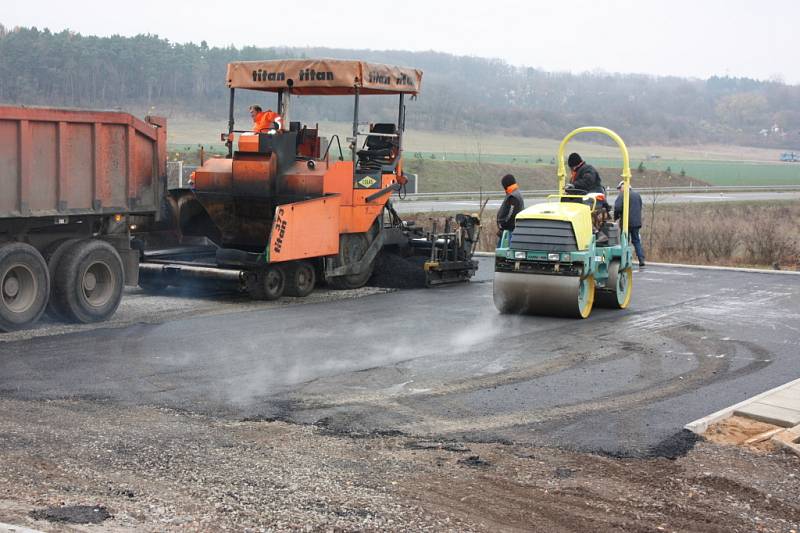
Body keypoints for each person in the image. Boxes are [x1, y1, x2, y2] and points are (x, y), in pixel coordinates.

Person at [614, 180, 646, 268]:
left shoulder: (623, 194)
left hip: (626, 223)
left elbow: (617, 207)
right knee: (636, 241)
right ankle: (641, 259)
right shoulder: (637, 195)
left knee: (625, 241)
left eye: (620, 188)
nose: (619, 190)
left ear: (623, 187)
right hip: (636, 222)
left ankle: (625, 260)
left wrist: (616, 217)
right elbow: (640, 206)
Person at [496, 174, 524, 243]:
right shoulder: (514, 193)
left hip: (510, 230)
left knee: (504, 252)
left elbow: (510, 214)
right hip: (510, 229)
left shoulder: (513, 196)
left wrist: (503, 225)